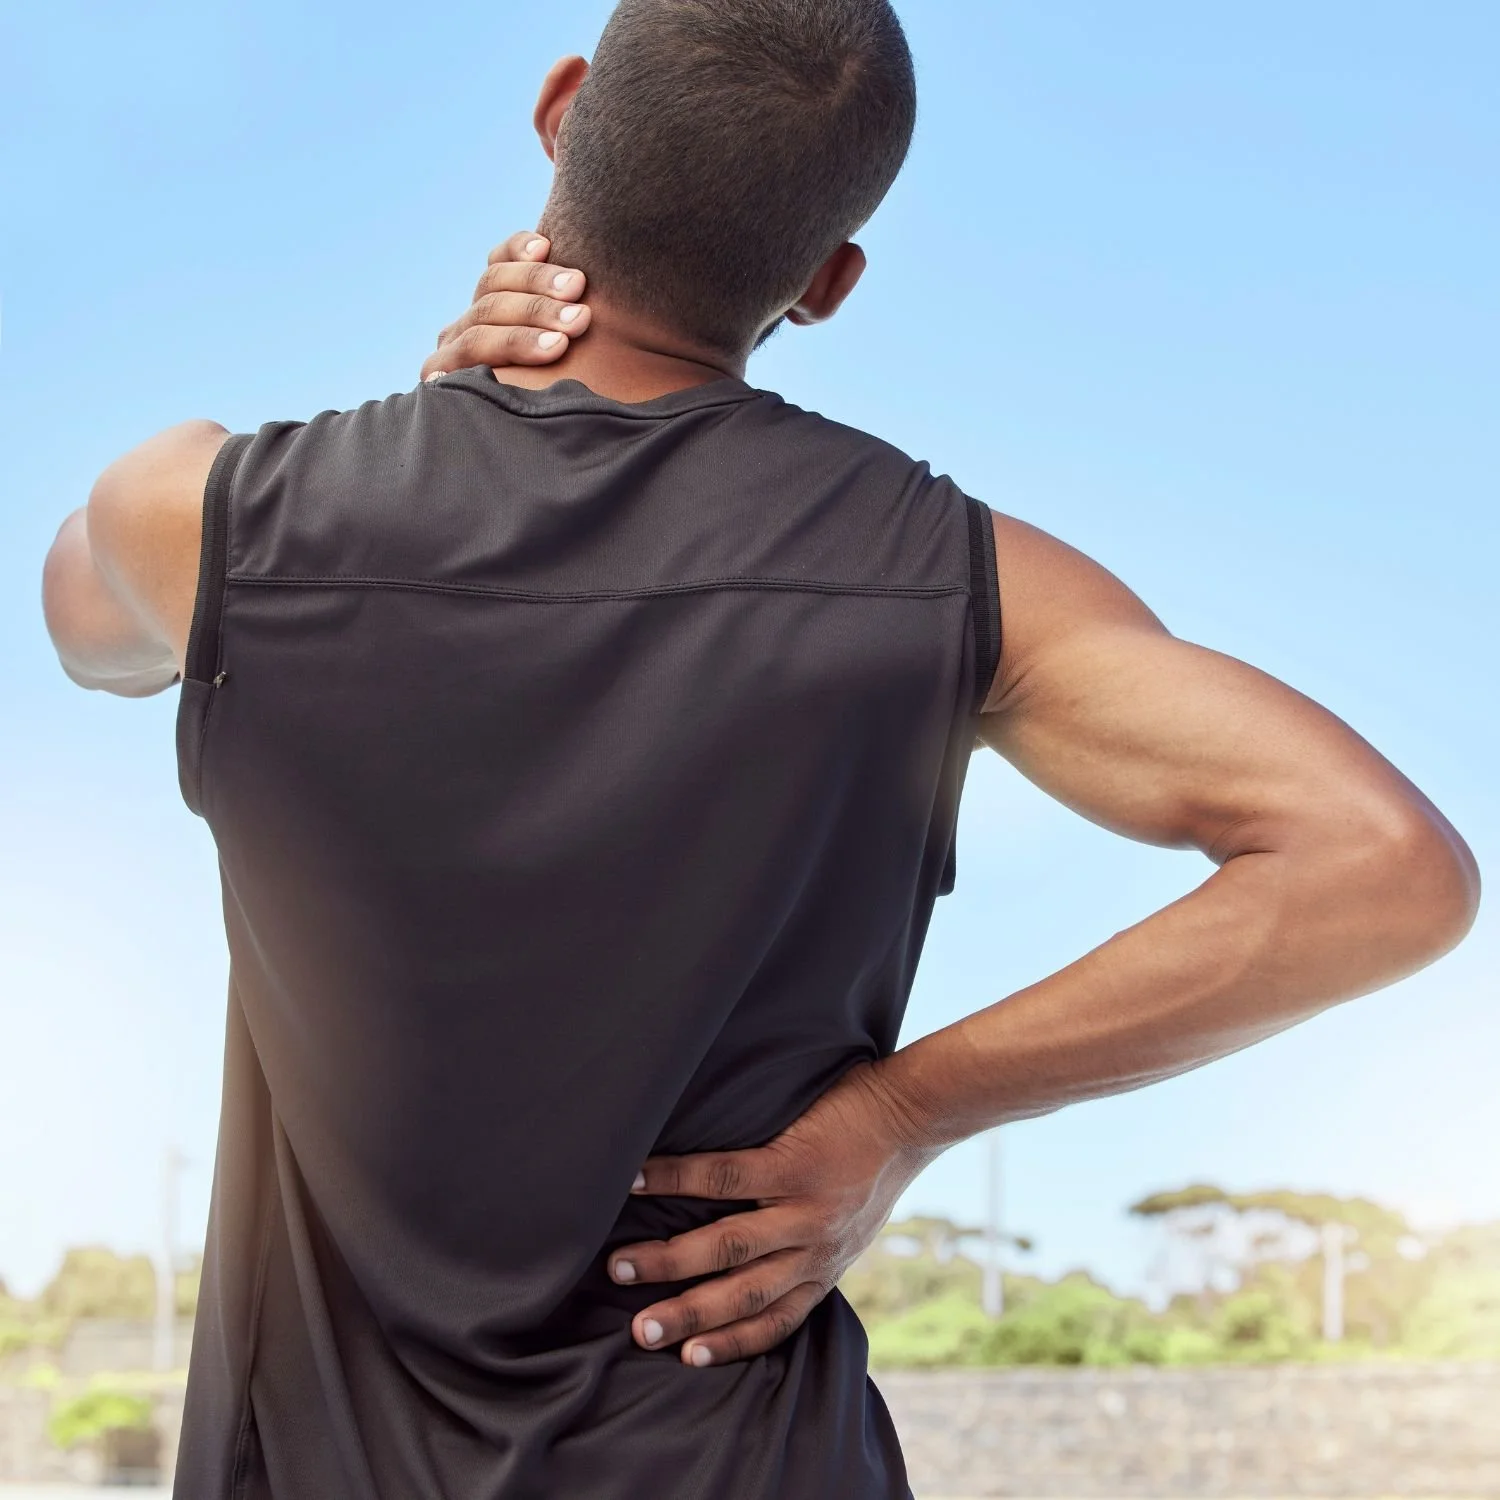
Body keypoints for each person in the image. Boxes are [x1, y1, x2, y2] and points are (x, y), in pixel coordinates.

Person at [41, 2, 1478, 1497]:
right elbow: (1384, 867)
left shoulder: (206, 516)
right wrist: (906, 1115)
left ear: (561, 108)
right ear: (832, 278)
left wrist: (422, 421)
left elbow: (89, 630)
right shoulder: (956, 580)